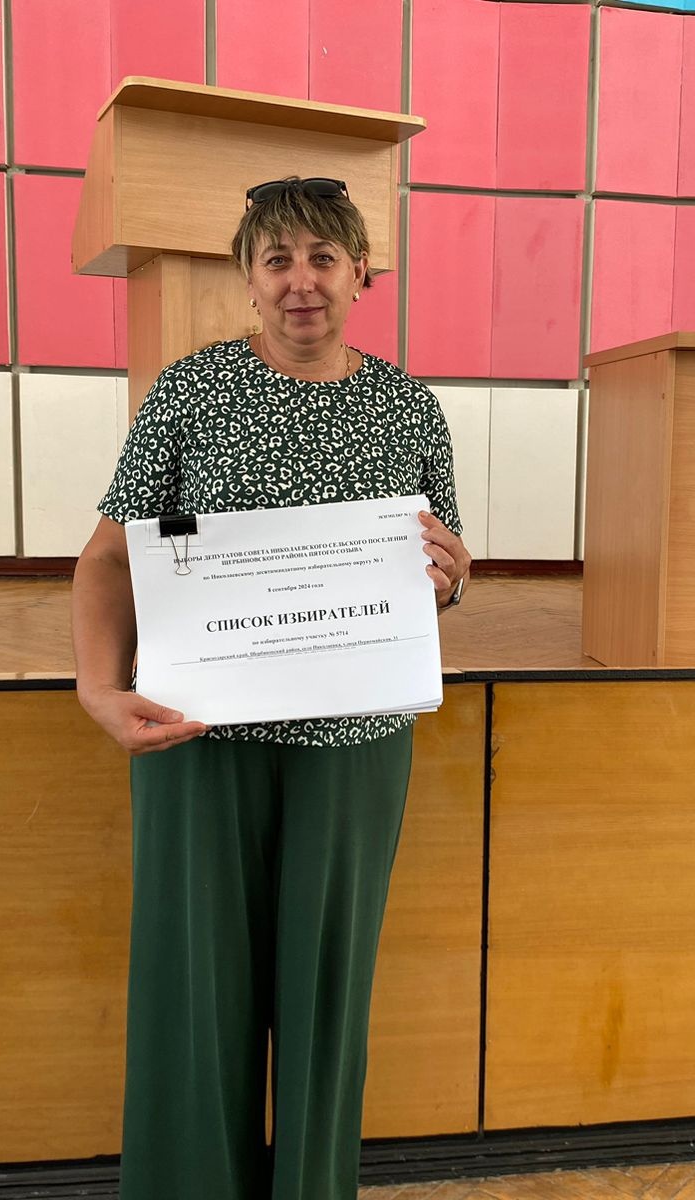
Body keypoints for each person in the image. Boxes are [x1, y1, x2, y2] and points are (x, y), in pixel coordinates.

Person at [71, 176, 472, 1200]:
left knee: (326, 996)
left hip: (354, 742)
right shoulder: (191, 392)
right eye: (278, 259)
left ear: (360, 273)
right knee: (194, 993)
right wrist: (96, 687)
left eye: (323, 258)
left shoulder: (409, 408)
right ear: (246, 277)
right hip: (198, 737)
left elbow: (435, 568)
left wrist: (449, 578)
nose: (302, 282)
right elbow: (111, 554)